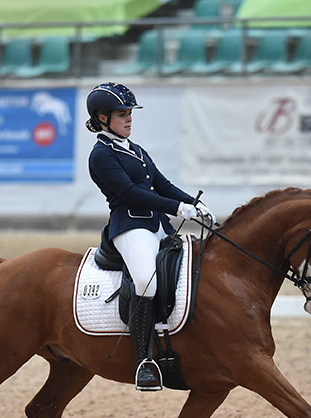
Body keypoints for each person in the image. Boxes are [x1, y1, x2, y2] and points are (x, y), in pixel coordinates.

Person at [85, 82, 214, 391]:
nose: (129, 119)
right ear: (103, 118)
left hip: (158, 226)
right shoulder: (101, 155)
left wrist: (194, 204)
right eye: (122, 114)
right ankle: (143, 361)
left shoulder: (136, 150)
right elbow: (131, 193)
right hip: (130, 227)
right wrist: (177, 207)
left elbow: (162, 183)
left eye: (130, 113)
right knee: (146, 279)